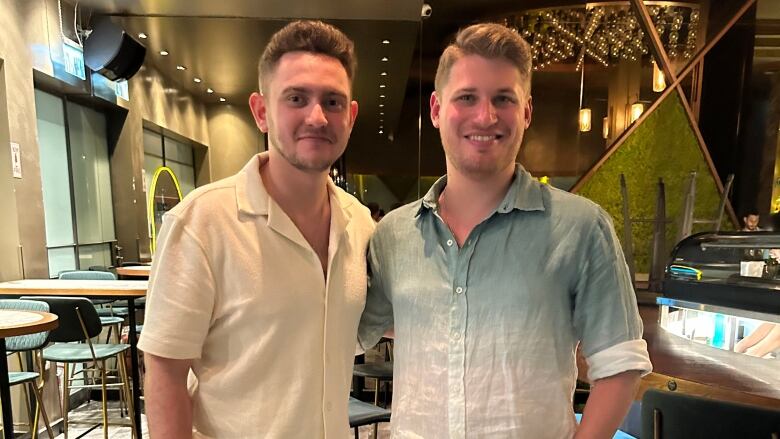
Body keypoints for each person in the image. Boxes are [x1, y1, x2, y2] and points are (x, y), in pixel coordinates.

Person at [358, 23, 652, 438]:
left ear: (527, 112)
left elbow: (620, 365)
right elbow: (357, 329)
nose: (485, 115)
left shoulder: (581, 228)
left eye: (503, 99)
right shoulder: (393, 235)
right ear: (437, 109)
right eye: (467, 97)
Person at [139, 20, 374, 438]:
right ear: (262, 111)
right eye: (296, 98)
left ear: (351, 117)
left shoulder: (360, 224)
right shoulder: (202, 222)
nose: (317, 116)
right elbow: (165, 374)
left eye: (333, 102)